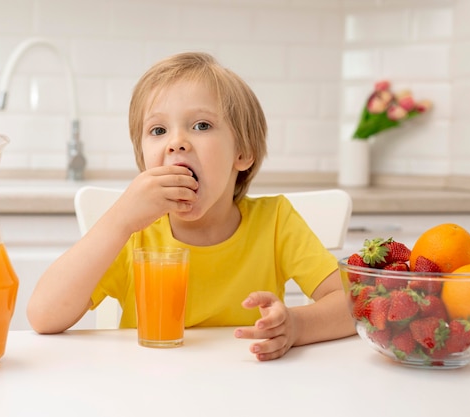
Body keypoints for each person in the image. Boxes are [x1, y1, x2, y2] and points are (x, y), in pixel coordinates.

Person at [27, 52, 356, 361]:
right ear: (143, 161)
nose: (176, 141)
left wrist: (296, 326)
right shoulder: (130, 233)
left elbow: (355, 302)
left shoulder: (276, 223)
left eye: (201, 125)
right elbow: (43, 316)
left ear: (242, 152)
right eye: (158, 130)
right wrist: (118, 221)